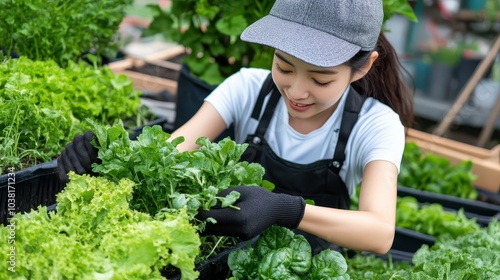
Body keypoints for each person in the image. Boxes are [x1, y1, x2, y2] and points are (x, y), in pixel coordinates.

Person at [57, 0, 413, 255]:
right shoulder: (246, 88)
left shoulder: (376, 125)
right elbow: (176, 149)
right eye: (284, 67)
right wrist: (110, 150)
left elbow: (379, 232)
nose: (297, 91)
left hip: (310, 264)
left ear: (363, 68)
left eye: (321, 79)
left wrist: (282, 209)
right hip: (230, 255)